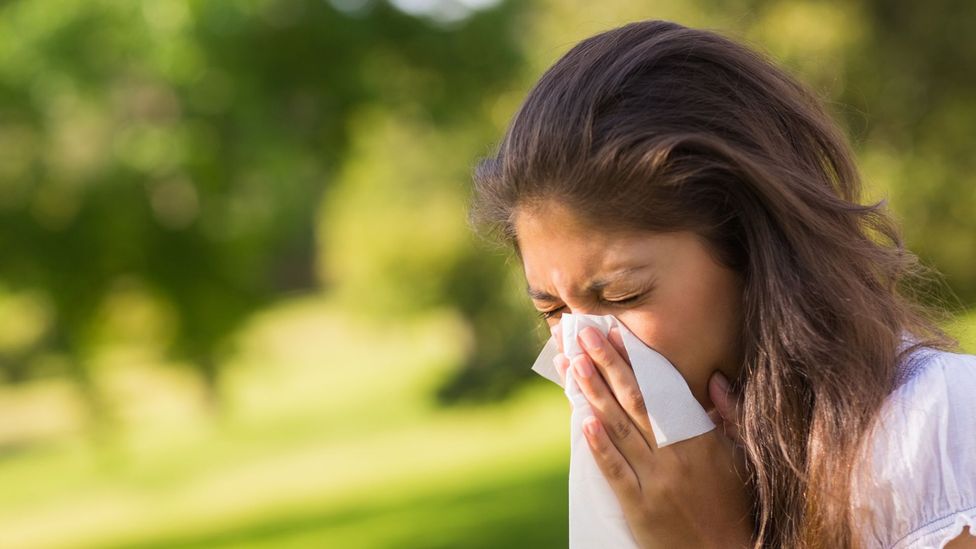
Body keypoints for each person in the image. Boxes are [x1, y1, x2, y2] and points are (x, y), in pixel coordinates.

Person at [467, 19, 976, 549]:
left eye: (621, 295)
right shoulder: (656, 491)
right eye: (552, 312)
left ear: (752, 251)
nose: (584, 353)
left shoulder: (935, 432)